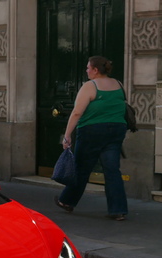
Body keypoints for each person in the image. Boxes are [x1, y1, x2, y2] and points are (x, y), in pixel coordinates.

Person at [54, 55, 128, 221]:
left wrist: (66, 136)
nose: (86, 70)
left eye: (88, 68)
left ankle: (67, 201)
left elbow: (77, 112)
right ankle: (118, 210)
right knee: (112, 170)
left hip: (92, 130)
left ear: (95, 70)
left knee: (81, 168)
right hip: (117, 129)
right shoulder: (118, 84)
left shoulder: (90, 86)